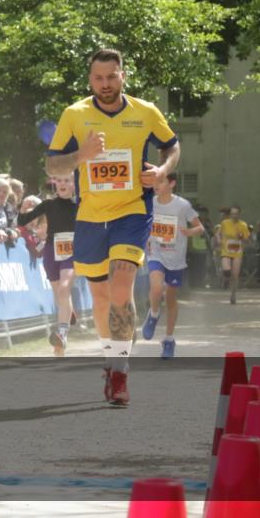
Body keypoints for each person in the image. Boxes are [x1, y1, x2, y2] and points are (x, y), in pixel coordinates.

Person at [46, 47, 180, 406]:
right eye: (98, 78)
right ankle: (111, 359)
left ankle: (120, 373)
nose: (105, 84)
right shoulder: (74, 114)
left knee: (121, 285)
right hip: (90, 216)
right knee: (101, 297)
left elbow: (172, 147)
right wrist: (82, 156)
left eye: (111, 76)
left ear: (123, 76)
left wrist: (162, 171)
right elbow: (52, 167)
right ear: (90, 80)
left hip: (132, 211)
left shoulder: (145, 112)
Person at [140, 172, 203, 358]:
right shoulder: (150, 203)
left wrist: (189, 232)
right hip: (156, 253)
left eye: (161, 181)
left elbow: (200, 227)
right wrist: (145, 239)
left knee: (171, 299)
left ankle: (169, 340)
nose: (156, 185)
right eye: (155, 181)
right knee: (156, 287)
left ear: (172, 183)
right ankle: (153, 314)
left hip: (176, 259)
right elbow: (142, 224)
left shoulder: (183, 205)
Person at [17, 173, 80, 356]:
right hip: (51, 251)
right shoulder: (48, 205)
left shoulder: (80, 205)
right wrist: (23, 208)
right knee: (59, 294)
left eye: (67, 180)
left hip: (71, 251)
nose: (62, 184)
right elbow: (22, 222)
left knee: (64, 289)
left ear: (74, 184)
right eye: (59, 181)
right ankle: (67, 313)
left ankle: (62, 334)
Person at [215, 206, 250, 304]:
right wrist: (219, 240)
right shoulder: (225, 223)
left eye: (236, 214)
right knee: (226, 269)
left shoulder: (243, 225)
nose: (234, 216)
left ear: (239, 214)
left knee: (235, 275)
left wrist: (242, 237)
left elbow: (247, 240)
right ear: (230, 215)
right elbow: (217, 234)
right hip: (226, 251)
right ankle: (226, 279)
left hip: (237, 252)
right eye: (232, 214)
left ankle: (233, 295)